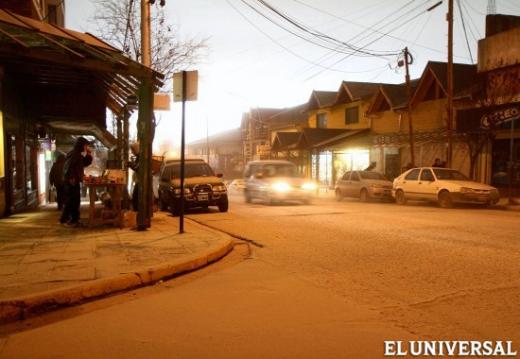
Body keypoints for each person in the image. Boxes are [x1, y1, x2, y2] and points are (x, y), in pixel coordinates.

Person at [60, 137, 93, 225]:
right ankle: (66, 219)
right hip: (71, 181)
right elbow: (69, 166)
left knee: (74, 201)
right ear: (81, 145)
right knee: (71, 201)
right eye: (85, 145)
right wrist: (71, 178)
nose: (86, 147)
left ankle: (73, 219)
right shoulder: (75, 154)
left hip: (73, 180)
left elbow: (84, 163)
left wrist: (89, 155)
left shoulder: (76, 154)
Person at [128, 142, 140, 211]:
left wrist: (130, 165)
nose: (132, 152)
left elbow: (137, 168)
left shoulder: (140, 157)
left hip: (140, 181)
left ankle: (137, 212)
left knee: (135, 197)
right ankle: (136, 212)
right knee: (135, 197)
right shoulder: (138, 157)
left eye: (133, 150)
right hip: (138, 180)